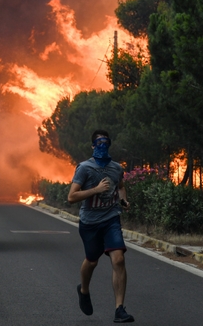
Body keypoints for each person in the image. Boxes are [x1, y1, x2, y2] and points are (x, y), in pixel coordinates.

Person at [67, 130, 134, 323]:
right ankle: (84, 290)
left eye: (106, 142)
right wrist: (96, 190)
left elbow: (120, 185)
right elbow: (71, 197)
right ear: (93, 146)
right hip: (90, 222)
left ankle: (119, 309)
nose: (103, 146)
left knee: (119, 259)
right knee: (92, 261)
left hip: (111, 219)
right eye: (99, 143)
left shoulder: (116, 168)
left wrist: (123, 200)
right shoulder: (84, 168)